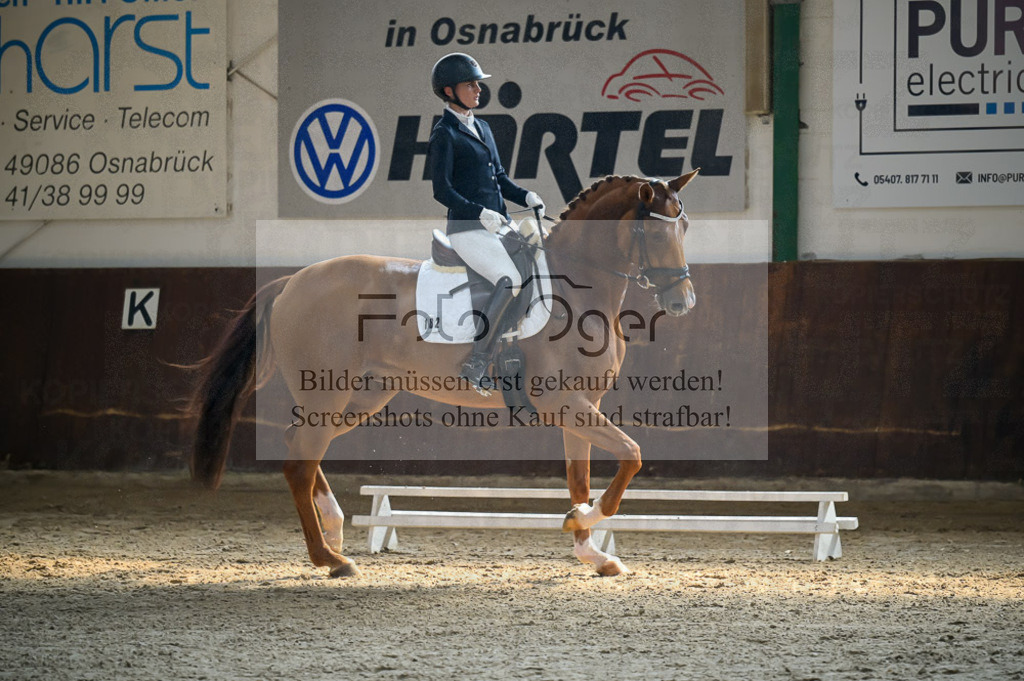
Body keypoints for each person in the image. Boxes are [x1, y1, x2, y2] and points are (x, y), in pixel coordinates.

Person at [427, 52, 546, 393]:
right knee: (509, 280)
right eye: (470, 84)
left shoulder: (483, 127)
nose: (478, 89)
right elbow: (442, 190)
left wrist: (524, 196)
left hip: (499, 223)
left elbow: (500, 178)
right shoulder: (444, 134)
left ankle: (511, 346)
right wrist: (477, 212)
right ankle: (477, 361)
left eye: (478, 83)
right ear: (449, 91)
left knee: (535, 264)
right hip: (468, 230)